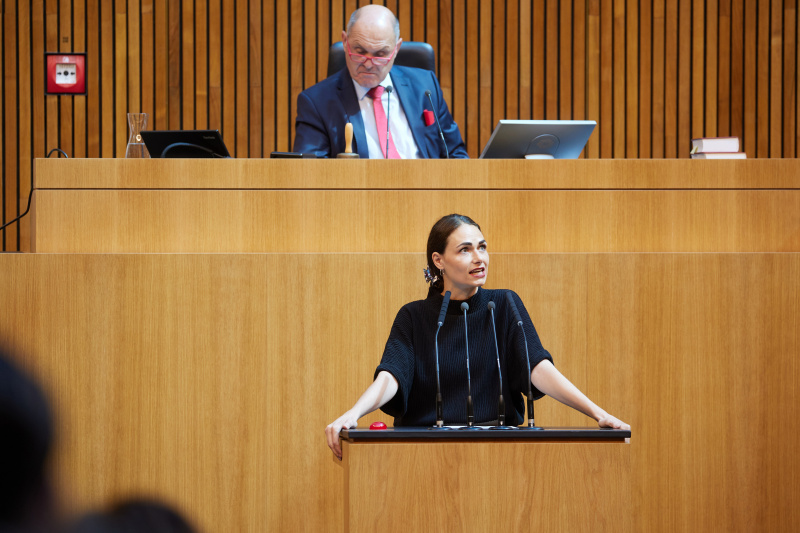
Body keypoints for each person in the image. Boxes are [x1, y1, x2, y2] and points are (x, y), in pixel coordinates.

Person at [325, 214, 630, 459]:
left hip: (500, 453)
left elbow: (537, 368)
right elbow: (391, 376)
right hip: (423, 455)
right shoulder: (414, 316)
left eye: (482, 247)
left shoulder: (505, 304)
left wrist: (596, 413)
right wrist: (353, 413)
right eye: (465, 249)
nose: (478, 258)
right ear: (438, 260)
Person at [293, 5, 468, 159]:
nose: (369, 64)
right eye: (360, 52)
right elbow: (310, 173)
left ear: (396, 48)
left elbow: (455, 153)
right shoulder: (317, 103)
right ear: (345, 42)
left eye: (380, 54)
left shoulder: (425, 86)